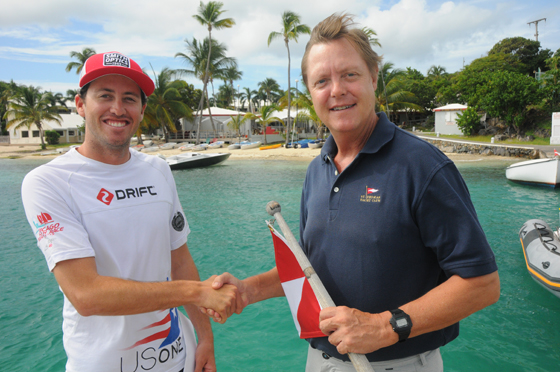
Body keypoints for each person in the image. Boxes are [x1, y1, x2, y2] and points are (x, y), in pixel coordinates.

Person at [205, 14, 500, 372]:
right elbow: (309, 269)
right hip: (320, 361)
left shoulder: (423, 167)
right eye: (322, 81)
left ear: (374, 76)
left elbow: (482, 284)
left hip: (401, 364)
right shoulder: (318, 169)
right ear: (311, 92)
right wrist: (248, 290)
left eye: (350, 75)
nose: (337, 90)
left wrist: (384, 327)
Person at [21, 51, 242, 372]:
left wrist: (205, 338)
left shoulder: (158, 170)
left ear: (141, 110)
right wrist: (197, 293)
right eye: (105, 96)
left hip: (178, 355)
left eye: (129, 98)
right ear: (81, 104)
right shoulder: (47, 182)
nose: (118, 109)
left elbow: (179, 259)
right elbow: (86, 294)